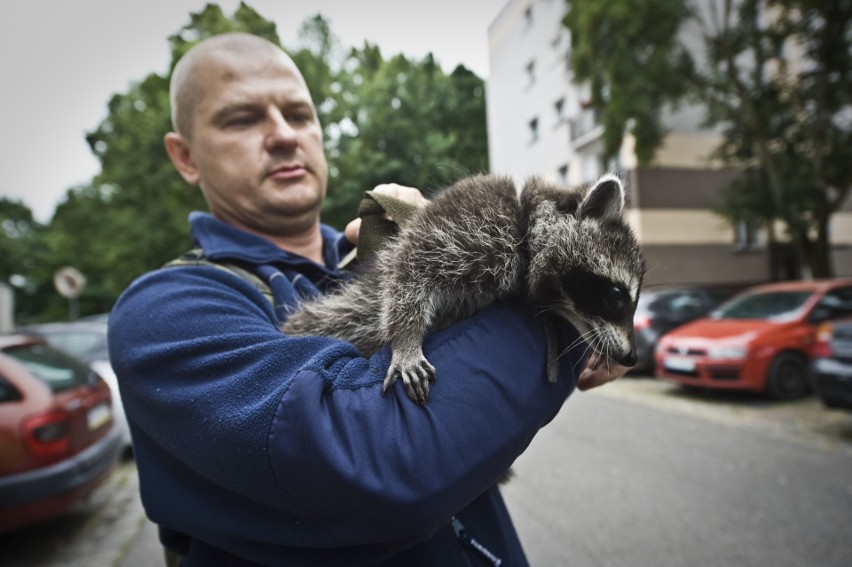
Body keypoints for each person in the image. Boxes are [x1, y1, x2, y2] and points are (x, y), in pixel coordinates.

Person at [108, 32, 627, 567]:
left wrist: (565, 308)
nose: (284, 135)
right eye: (242, 119)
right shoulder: (167, 309)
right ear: (185, 156)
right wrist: (561, 300)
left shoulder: (381, 242)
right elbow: (378, 468)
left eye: (299, 114)